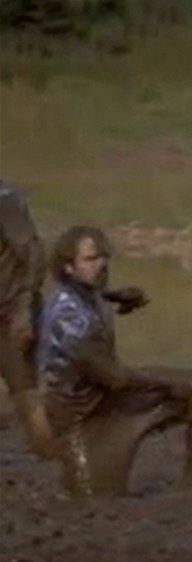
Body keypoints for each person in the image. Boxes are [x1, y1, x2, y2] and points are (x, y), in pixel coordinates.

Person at [36, 226, 192, 496]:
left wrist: (115, 296)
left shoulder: (87, 293)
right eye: (91, 259)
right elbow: (114, 377)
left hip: (107, 402)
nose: (101, 264)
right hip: (83, 423)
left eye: (104, 257)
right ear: (68, 267)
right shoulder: (68, 317)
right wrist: (172, 384)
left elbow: (90, 298)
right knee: (95, 501)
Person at [0, 179, 56, 459]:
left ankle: (65, 466)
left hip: (8, 313)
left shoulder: (4, 200)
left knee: (26, 395)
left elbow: (33, 254)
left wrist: (23, 310)